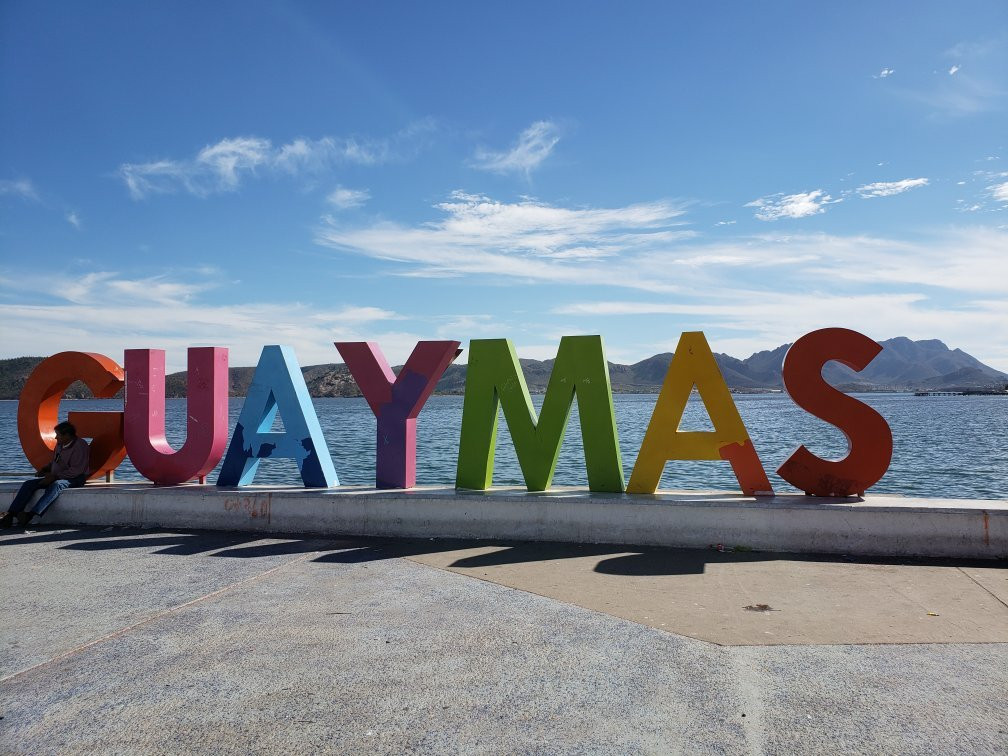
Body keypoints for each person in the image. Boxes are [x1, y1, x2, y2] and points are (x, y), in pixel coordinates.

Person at [0, 421, 90, 528]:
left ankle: (31, 515)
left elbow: (77, 470)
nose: (55, 437)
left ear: (67, 435)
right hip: (56, 476)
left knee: (56, 485)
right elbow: (56, 461)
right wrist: (45, 469)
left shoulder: (80, 446)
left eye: (58, 435)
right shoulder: (60, 444)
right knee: (28, 484)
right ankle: (11, 514)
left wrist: (55, 477)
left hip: (75, 478)